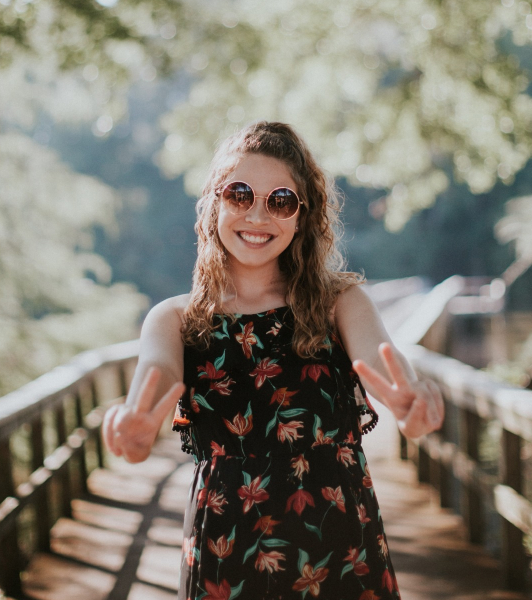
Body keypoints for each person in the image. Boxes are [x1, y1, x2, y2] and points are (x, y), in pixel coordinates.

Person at [103, 121, 444, 600]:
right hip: (227, 557)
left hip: (340, 549)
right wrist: (134, 432)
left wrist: (414, 408)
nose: (258, 215)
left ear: (302, 216)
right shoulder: (175, 320)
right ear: (215, 203)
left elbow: (387, 367)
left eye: (280, 200)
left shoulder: (340, 303)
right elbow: (153, 386)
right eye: (240, 194)